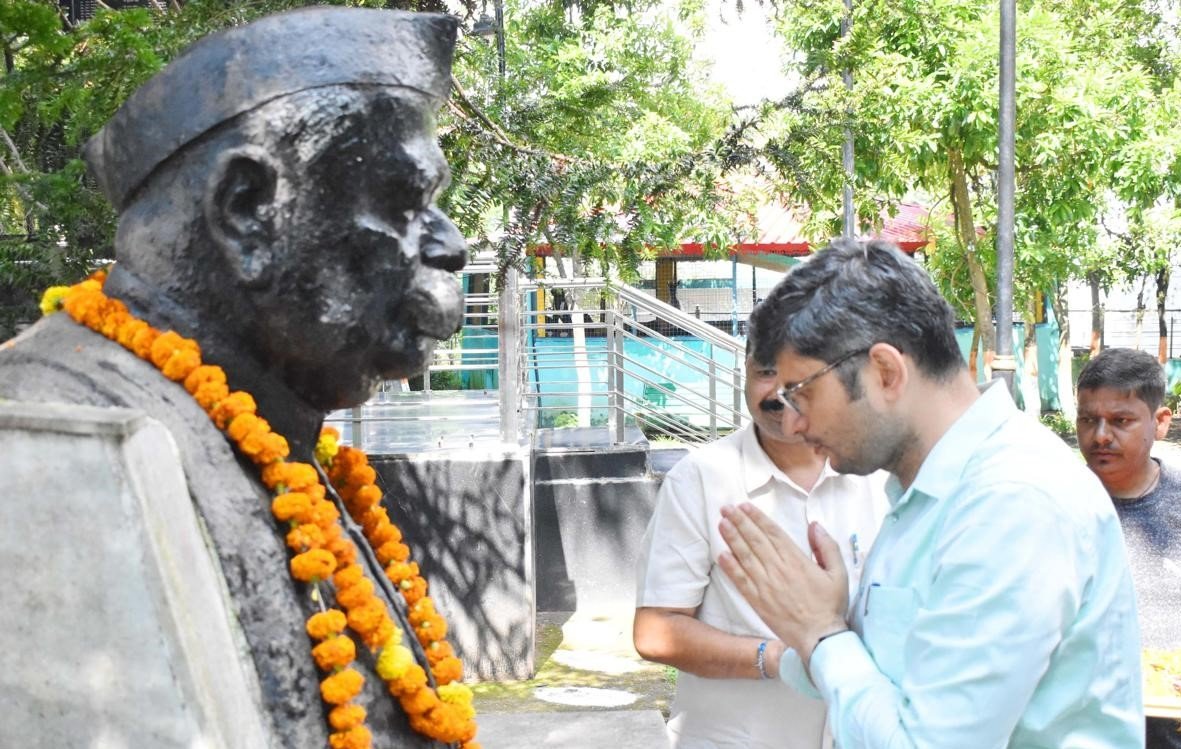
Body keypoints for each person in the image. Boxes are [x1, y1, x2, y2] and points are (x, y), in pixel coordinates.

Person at [0, 9, 465, 747]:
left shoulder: (270, 428)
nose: (450, 245)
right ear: (247, 210)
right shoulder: (45, 439)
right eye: (406, 203)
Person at [716, 239, 1144, 748]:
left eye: (802, 393)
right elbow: (891, 672)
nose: (793, 422)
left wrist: (822, 635)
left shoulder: (1012, 501)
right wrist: (817, 627)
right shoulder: (925, 493)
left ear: (885, 373)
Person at [633, 313, 889, 749]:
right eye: (765, 372)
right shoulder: (700, 479)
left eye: (799, 375)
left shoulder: (877, 475)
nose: (779, 392)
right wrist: (777, 659)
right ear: (745, 370)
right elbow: (655, 631)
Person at [1077, 347, 1181, 749]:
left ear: (1160, 422)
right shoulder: (1054, 505)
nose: (1101, 436)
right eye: (1088, 419)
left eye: (1121, 421)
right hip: (1079, 726)